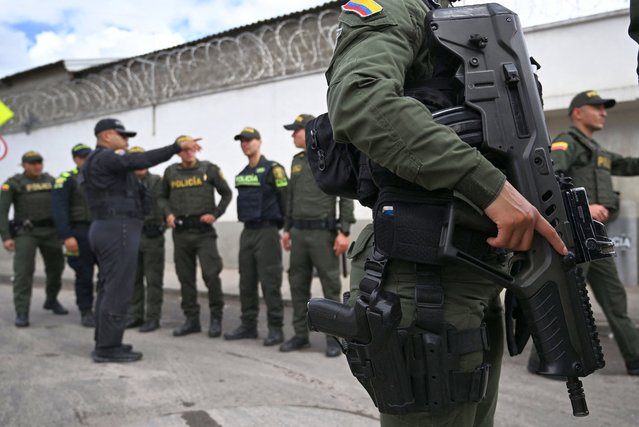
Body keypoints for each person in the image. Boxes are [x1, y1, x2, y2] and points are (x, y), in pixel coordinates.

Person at [325, 1, 567, 426]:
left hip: (477, 270)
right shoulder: (397, 6)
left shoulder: (462, 21)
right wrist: (489, 187)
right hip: (425, 273)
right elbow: (360, 98)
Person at [82, 118, 201, 363]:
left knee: (109, 287)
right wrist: (175, 147)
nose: (127, 140)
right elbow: (139, 160)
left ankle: (106, 341)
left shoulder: (101, 161)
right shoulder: (104, 157)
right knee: (117, 288)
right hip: (117, 228)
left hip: (111, 227)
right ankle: (107, 348)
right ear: (105, 136)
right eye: (122, 135)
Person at [539, 90, 639, 376]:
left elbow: (629, 165)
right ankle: (543, 359)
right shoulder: (566, 143)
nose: (603, 112)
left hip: (598, 237)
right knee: (569, 298)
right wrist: (586, 205)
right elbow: (551, 178)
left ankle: (635, 359)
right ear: (578, 113)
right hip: (576, 235)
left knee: (615, 299)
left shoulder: (599, 152)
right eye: (596, 107)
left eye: (604, 108)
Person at [278, 114, 355, 357]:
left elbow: (345, 194)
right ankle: (300, 334)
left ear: (308, 131)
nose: (293, 135)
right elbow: (292, 195)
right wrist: (287, 228)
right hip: (299, 233)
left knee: (330, 286)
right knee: (297, 284)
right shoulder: (296, 161)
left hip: (324, 234)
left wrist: (344, 231)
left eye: (296, 131)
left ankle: (335, 340)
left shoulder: (330, 154)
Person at [160, 135, 232, 337]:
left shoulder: (210, 170)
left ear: (197, 150)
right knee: (185, 278)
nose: (188, 152)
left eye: (192, 148)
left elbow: (226, 193)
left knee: (210, 275)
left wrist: (216, 214)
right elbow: (161, 197)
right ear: (179, 151)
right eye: (184, 149)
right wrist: (168, 214)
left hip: (203, 232)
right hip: (181, 233)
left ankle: (216, 317)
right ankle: (191, 320)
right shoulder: (171, 172)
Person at [224, 127, 288, 346]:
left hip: (268, 231)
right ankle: (248, 326)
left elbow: (285, 199)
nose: (245, 144)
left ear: (259, 142)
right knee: (246, 282)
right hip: (247, 232)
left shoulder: (274, 169)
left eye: (249, 140)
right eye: (242, 141)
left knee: (270, 282)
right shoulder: (242, 174)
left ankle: (276, 329)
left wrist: (286, 228)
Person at [0, 151, 67, 327]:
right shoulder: (13, 183)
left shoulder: (51, 181)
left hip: (50, 231)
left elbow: (62, 206)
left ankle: (51, 299)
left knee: (56, 267)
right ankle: (22, 312)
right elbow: (2, 211)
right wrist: (6, 237)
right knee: (23, 272)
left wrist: (64, 231)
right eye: (33, 163)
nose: (37, 166)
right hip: (26, 232)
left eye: (39, 162)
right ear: (24, 165)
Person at [52, 143, 96, 327]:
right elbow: (59, 209)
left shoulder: (100, 176)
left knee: (108, 274)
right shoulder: (66, 179)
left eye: (89, 156)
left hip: (101, 229)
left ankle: (106, 309)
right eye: (82, 157)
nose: (86, 160)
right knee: (84, 274)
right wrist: (67, 236)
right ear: (75, 159)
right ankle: (86, 310)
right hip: (80, 232)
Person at [125, 146, 167, 333]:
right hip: (132, 236)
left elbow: (168, 204)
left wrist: (162, 227)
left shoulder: (158, 181)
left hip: (152, 237)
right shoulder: (124, 182)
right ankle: (135, 315)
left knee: (153, 280)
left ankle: (152, 317)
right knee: (134, 279)